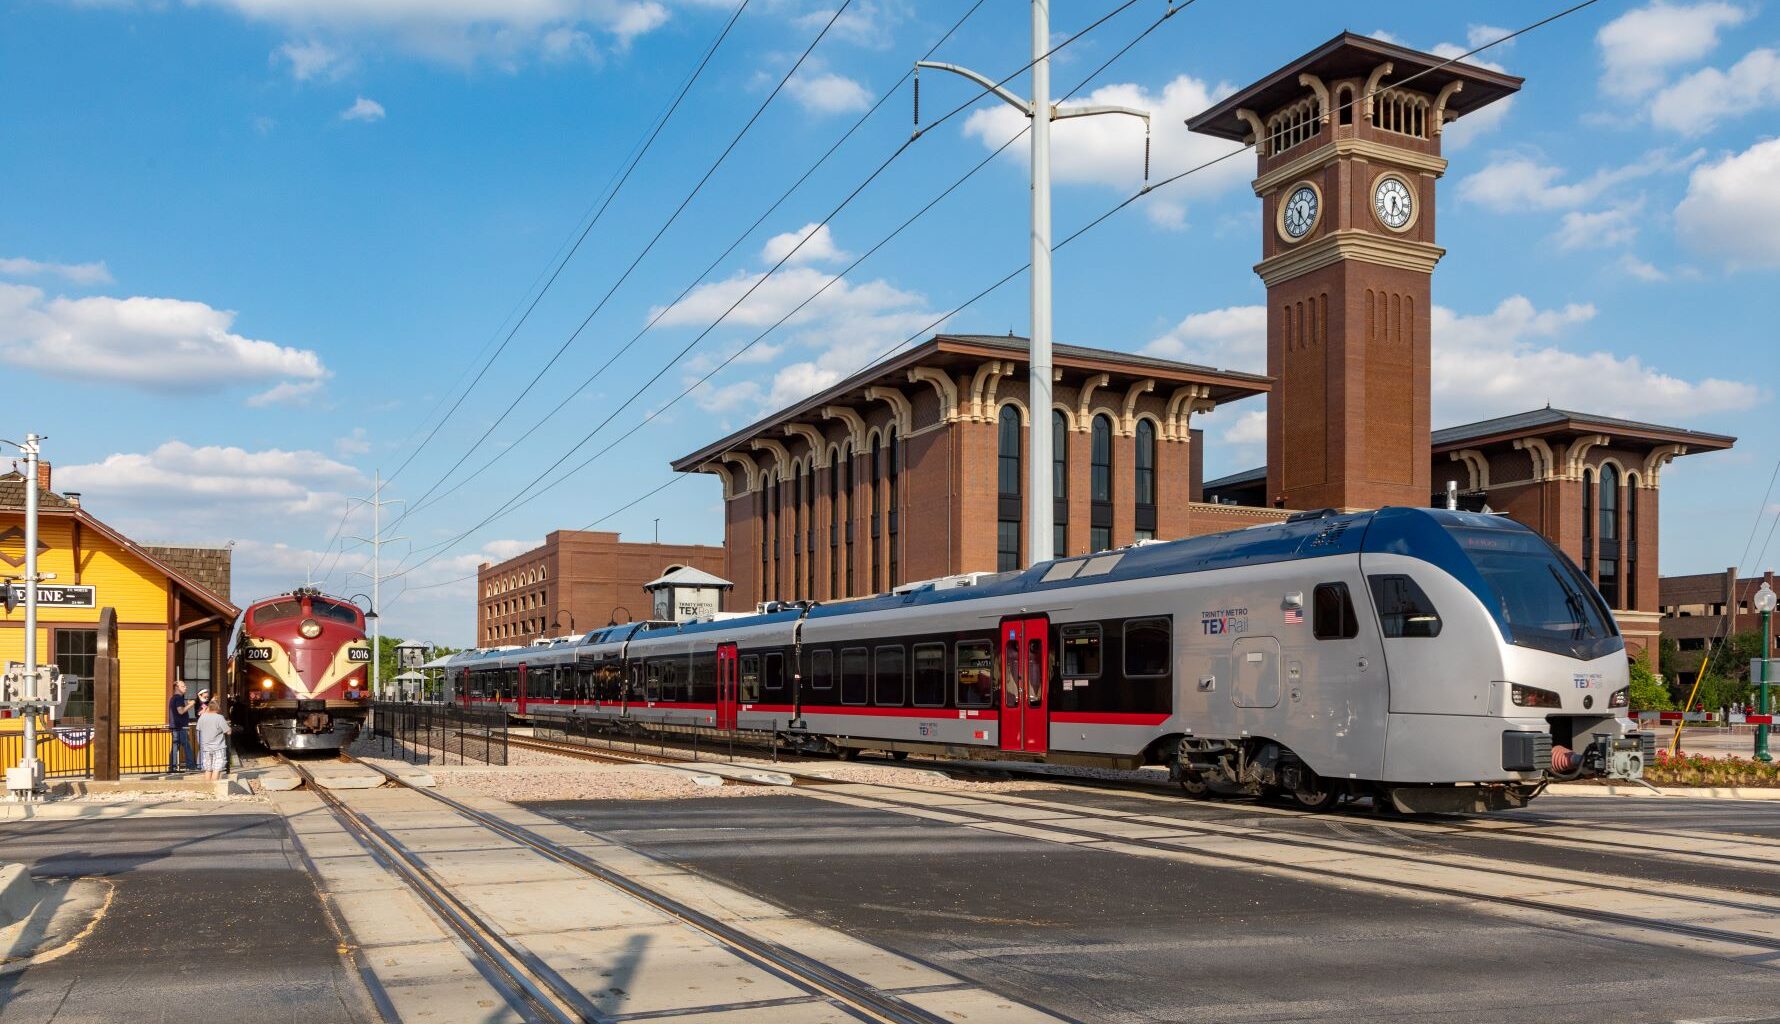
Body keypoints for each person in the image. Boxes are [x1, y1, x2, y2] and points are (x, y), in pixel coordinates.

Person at [196, 699, 232, 782]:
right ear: (218, 708)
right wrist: (229, 727)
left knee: (208, 769)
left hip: (206, 748)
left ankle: (208, 789)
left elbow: (198, 729)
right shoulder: (219, 717)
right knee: (216, 769)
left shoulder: (202, 717)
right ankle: (214, 788)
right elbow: (228, 732)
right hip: (218, 747)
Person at [167, 679, 196, 773]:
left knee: (175, 747)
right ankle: (191, 766)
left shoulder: (173, 698)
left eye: (185, 686)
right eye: (183, 686)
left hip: (175, 726)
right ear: (177, 687)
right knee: (186, 746)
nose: (185, 687)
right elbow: (181, 711)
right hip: (180, 727)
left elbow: (178, 710)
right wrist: (190, 705)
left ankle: (172, 767)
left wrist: (186, 706)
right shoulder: (178, 698)